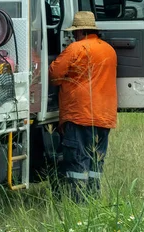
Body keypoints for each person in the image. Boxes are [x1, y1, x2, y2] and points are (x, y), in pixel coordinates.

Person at [48, 11, 117, 201]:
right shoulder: (109, 50)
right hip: (104, 116)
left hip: (80, 114)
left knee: (77, 159)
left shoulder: (75, 48)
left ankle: (77, 202)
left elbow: (54, 76)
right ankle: (93, 198)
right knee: (96, 160)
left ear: (78, 32)